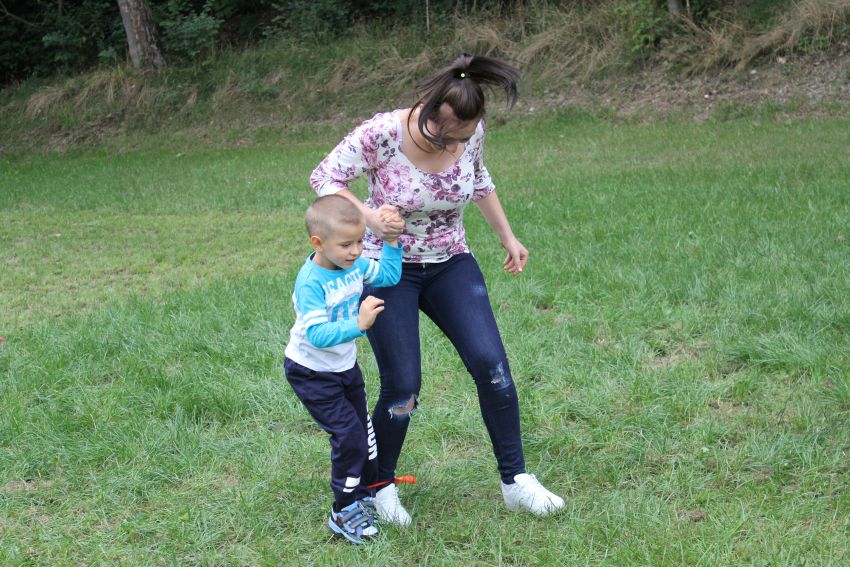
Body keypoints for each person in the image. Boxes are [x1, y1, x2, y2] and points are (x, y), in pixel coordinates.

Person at [309, 54, 564, 525]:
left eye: (462, 139)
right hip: (388, 269)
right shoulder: (383, 132)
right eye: (443, 137)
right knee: (404, 385)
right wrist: (369, 217)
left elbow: (480, 181)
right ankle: (379, 486)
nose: (453, 147)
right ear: (426, 109)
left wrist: (507, 237)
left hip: (451, 261)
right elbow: (324, 177)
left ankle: (515, 481)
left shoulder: (471, 131)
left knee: (492, 365)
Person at [283, 194, 404, 544]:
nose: (356, 251)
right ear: (318, 243)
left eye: (360, 241)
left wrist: (391, 241)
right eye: (347, 244)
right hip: (311, 372)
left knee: (364, 434)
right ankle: (343, 509)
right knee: (349, 437)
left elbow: (389, 275)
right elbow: (318, 334)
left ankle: (362, 493)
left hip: (345, 368)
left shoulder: (355, 265)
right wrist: (359, 324)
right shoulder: (311, 281)